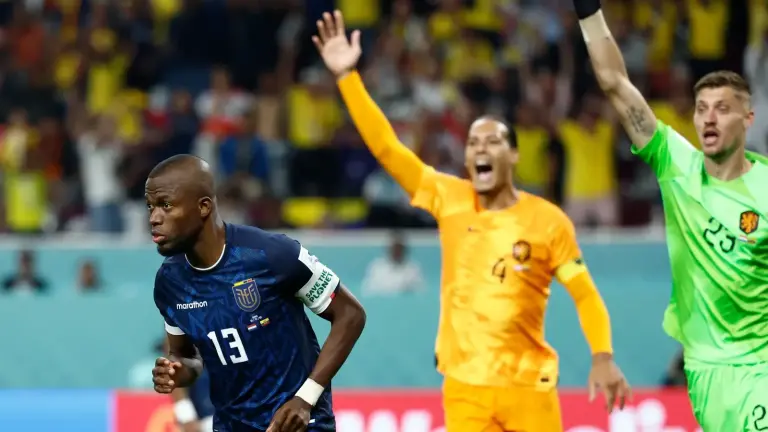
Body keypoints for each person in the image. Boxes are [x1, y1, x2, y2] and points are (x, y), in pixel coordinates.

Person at [312, 11, 630, 432]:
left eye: (493, 141)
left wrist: (603, 356)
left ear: (513, 155)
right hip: (465, 389)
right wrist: (347, 78)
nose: (481, 148)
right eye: (473, 142)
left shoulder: (547, 220)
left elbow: (585, 294)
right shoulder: (450, 198)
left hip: (528, 388)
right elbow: (388, 148)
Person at [572, 0, 768, 430]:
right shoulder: (677, 166)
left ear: (747, 119)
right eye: (701, 108)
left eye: (722, 109)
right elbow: (615, 82)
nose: (709, 119)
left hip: (759, 365)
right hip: (705, 373)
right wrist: (588, 12)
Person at [147, 154, 366, 432]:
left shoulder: (272, 254)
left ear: (203, 207)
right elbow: (186, 356)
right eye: (150, 206)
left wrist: (306, 398)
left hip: (298, 425)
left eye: (165, 205)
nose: (154, 218)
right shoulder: (170, 282)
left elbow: (350, 314)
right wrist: (177, 372)